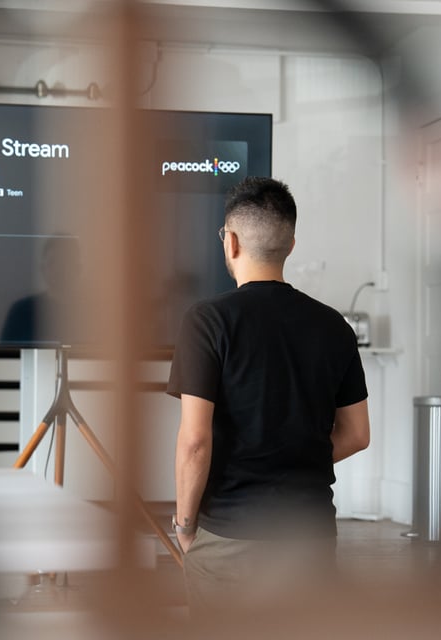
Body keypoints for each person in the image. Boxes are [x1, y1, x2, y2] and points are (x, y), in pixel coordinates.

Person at [167, 176, 371, 614]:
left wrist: (185, 524)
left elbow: (195, 442)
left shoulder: (206, 322)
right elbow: (357, 435)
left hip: (229, 536)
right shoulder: (334, 326)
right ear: (291, 245)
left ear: (231, 242)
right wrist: (292, 458)